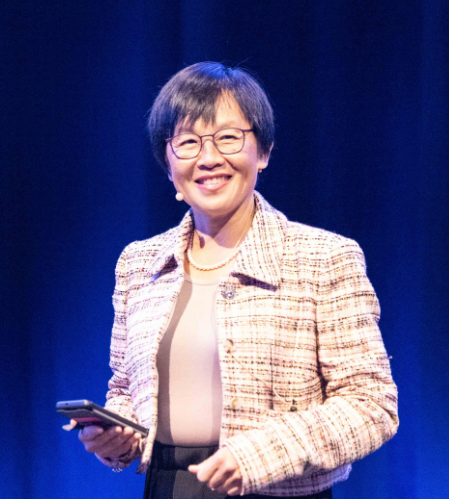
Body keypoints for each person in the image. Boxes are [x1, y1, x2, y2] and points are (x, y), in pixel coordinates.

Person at [70, 62, 398, 498]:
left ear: (262, 152)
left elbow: (371, 405)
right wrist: (115, 436)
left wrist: (259, 455)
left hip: (278, 490)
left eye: (227, 138)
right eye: (187, 142)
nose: (208, 158)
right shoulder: (139, 263)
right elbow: (125, 388)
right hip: (169, 487)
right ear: (168, 165)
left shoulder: (323, 258)